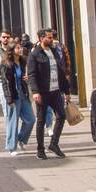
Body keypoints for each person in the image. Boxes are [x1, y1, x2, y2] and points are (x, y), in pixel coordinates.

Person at [26, 29, 70, 159]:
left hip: (55, 91)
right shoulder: (34, 54)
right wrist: (35, 92)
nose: (52, 40)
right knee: (41, 120)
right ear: (41, 38)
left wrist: (66, 91)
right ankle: (40, 149)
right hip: (43, 92)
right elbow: (32, 74)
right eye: (49, 38)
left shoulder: (55, 51)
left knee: (61, 116)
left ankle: (54, 144)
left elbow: (61, 72)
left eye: (52, 37)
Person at [0, 43, 34, 156]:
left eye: (20, 47)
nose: (20, 50)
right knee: (13, 121)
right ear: (11, 50)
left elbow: (29, 74)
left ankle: (21, 138)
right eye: (18, 48)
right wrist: (9, 99)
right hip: (13, 95)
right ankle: (11, 147)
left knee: (31, 119)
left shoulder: (23, 61)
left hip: (23, 93)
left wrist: (28, 78)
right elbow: (5, 83)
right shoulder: (6, 64)